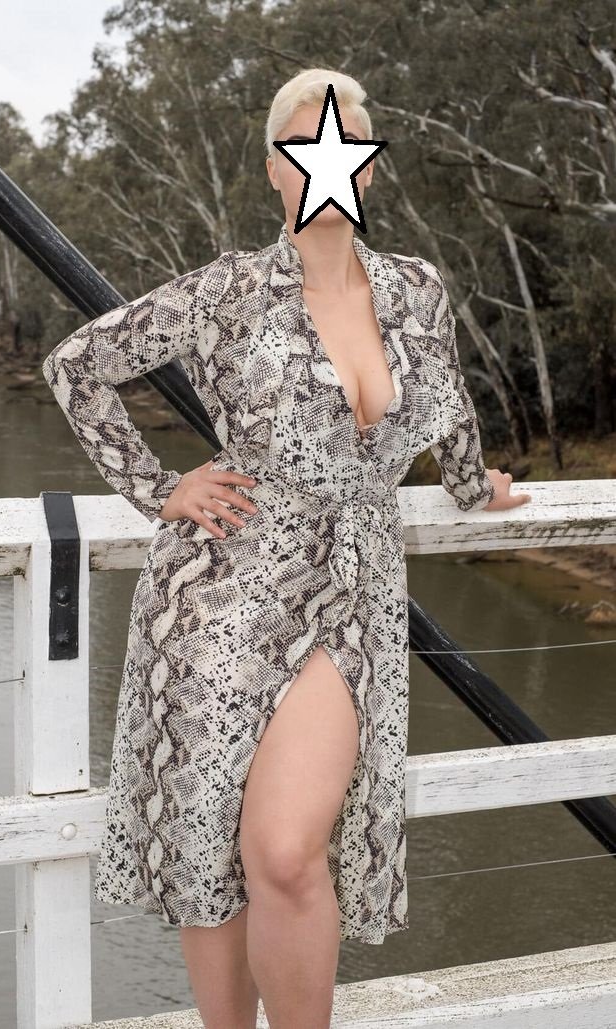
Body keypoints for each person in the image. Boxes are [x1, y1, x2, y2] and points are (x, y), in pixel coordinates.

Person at [42, 67, 530, 1029]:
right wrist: (159, 488)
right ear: (274, 169)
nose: (325, 164)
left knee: (284, 851)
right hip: (221, 592)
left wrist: (478, 488)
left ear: (370, 167)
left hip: (350, 594)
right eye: (303, 147)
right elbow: (77, 366)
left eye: (343, 144)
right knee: (211, 846)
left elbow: (449, 410)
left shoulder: (416, 290)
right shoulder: (227, 289)